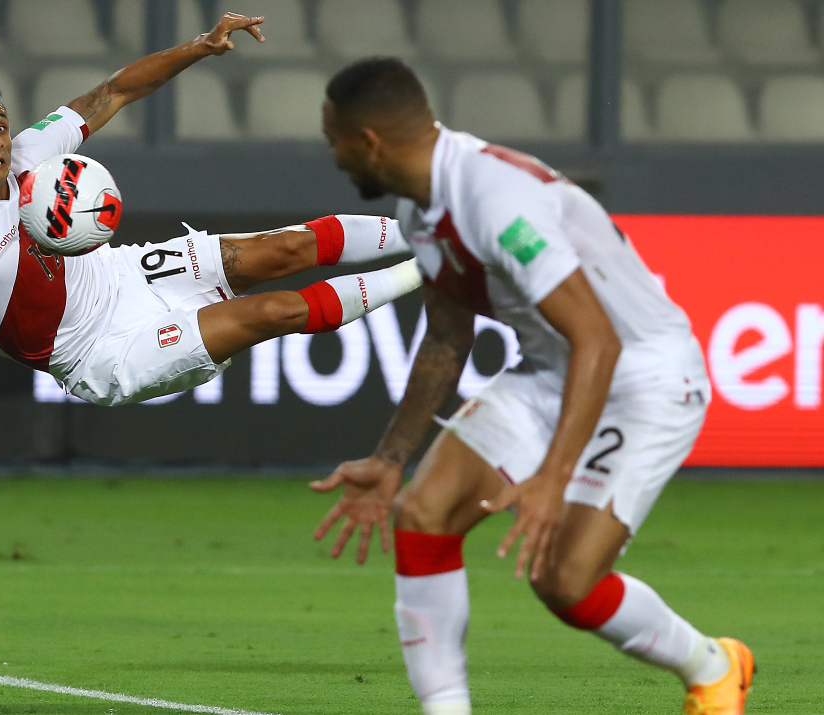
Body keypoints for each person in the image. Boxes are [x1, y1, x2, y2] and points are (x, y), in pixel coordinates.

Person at [309, 58, 753, 715]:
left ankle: (712, 665)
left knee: (565, 581)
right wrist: (390, 458)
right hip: (552, 372)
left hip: (645, 377)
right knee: (422, 512)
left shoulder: (493, 197)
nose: (334, 156)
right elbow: (446, 339)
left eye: (336, 141)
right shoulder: (420, 209)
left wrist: (553, 476)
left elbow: (597, 338)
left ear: (369, 141)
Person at [0, 15, 421, 505]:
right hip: (100, 352)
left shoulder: (31, 154)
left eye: (1, 126)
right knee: (270, 313)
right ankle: (428, 269)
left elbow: (115, 91)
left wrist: (200, 46)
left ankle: (432, 232)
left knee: (287, 247)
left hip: (126, 273)